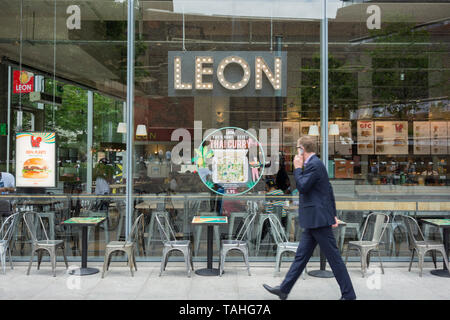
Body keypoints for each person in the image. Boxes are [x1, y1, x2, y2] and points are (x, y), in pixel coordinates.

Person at [263, 135, 356, 300]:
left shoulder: (314, 165)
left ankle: (349, 295)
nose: (296, 153)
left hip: (318, 220)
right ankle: (284, 289)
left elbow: (303, 187)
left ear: (302, 149)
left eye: (298, 149)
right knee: (301, 257)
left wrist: (297, 168)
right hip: (315, 219)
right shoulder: (315, 165)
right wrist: (333, 214)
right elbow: (329, 191)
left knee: (334, 259)